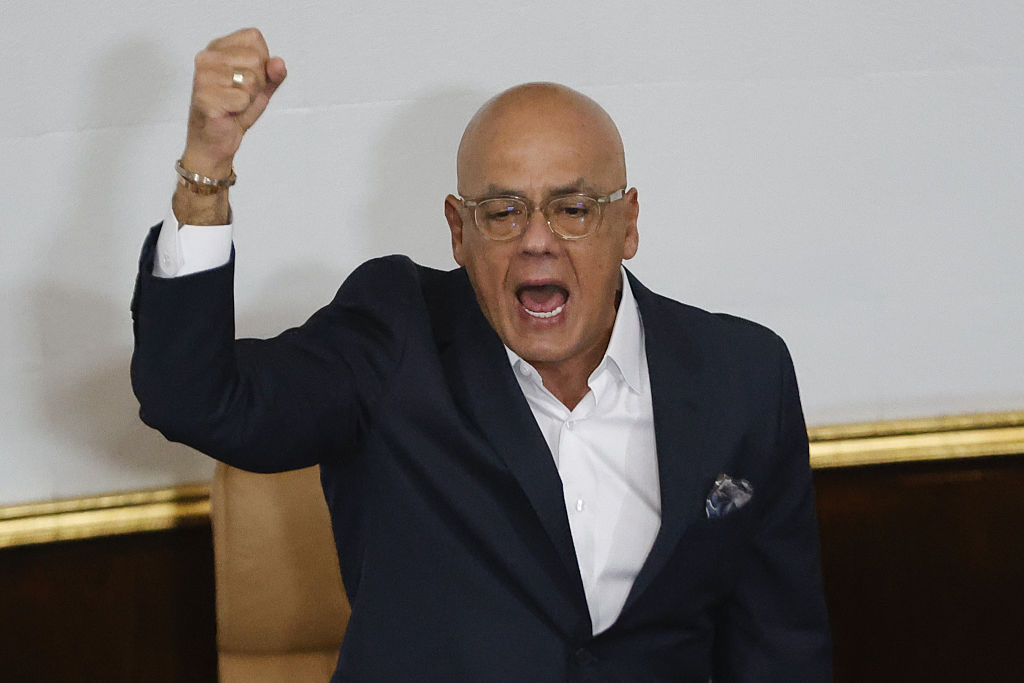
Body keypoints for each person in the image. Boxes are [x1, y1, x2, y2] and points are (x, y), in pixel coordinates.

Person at [132, 28, 832, 682]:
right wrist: (206, 170)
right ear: (458, 232)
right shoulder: (394, 337)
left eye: (573, 209)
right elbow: (196, 399)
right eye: (502, 212)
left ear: (628, 224)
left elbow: (780, 647)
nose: (537, 240)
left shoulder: (742, 376)